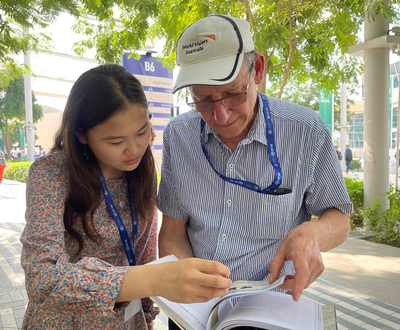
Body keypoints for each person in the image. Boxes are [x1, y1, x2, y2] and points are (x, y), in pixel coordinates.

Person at [157, 15, 352, 329]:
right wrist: (185, 285)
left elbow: (339, 217)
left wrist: (312, 235)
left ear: (257, 69)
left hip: (270, 307)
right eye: (202, 100)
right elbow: (173, 232)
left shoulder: (305, 130)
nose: (220, 115)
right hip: (194, 310)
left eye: (232, 93)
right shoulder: (178, 136)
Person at [20, 64, 231, 330]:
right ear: (81, 135)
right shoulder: (51, 174)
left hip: (127, 322)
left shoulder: (140, 172)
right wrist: (149, 280)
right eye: (115, 142)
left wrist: (147, 314)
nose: (134, 149)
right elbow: (42, 277)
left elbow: (142, 253)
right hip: (65, 321)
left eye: (142, 132)